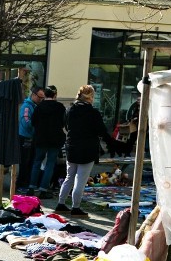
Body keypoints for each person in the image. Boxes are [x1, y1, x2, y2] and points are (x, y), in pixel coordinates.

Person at [57, 85, 128, 217]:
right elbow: (101, 131)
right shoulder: (93, 112)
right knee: (81, 180)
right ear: (91, 97)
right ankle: (76, 207)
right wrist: (113, 143)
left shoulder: (69, 109)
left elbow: (65, 126)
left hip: (71, 146)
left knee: (69, 177)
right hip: (87, 148)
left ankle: (60, 203)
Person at [27, 85, 66, 199]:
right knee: (50, 163)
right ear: (55, 95)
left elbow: (33, 122)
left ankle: (31, 188)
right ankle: (44, 189)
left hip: (41, 138)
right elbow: (63, 123)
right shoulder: (60, 107)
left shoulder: (39, 107)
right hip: (55, 139)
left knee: (37, 161)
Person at [18, 86, 44, 191]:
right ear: (33, 95)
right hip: (26, 138)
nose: (41, 100)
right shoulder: (27, 107)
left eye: (43, 98)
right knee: (25, 162)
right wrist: (36, 128)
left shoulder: (34, 106)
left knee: (30, 162)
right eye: (39, 97)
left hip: (31, 137)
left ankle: (26, 183)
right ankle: (21, 184)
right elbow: (26, 122)